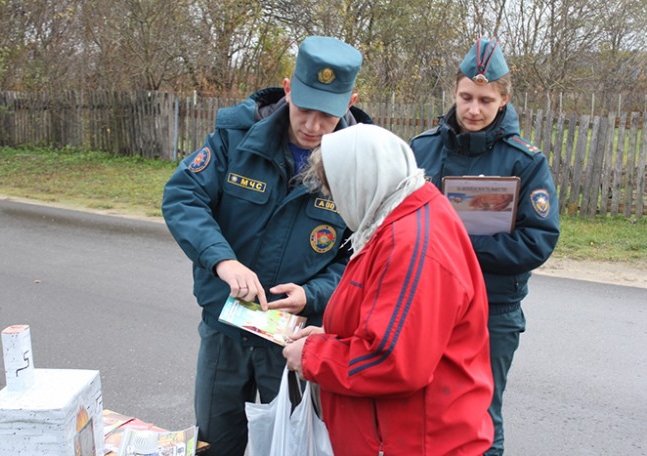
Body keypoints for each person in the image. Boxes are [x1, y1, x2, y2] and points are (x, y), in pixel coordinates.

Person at [161, 36, 371, 456]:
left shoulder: (362, 163)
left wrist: (313, 295)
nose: (312, 125)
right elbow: (183, 197)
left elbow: (359, 258)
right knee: (215, 442)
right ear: (288, 88)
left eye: (327, 115)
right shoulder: (236, 136)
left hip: (294, 337)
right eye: (304, 108)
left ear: (350, 102)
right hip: (226, 327)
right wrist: (222, 261)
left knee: (291, 443)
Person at [283, 123, 494, 456]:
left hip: (409, 440)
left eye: (338, 190)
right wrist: (329, 335)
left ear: (361, 183)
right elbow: (393, 319)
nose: (337, 203)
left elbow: (396, 362)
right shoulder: (400, 214)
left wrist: (314, 355)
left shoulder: (410, 244)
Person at [410, 38, 561, 455]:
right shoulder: (422, 148)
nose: (473, 109)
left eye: (485, 100)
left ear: (504, 99)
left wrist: (458, 246)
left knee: (479, 418)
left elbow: (539, 240)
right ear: (453, 92)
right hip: (427, 302)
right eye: (466, 97)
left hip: (492, 309)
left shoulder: (525, 161)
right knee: (419, 409)